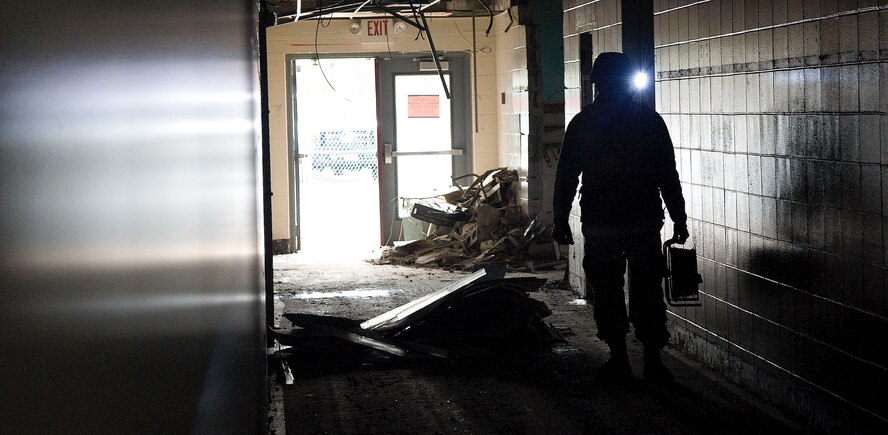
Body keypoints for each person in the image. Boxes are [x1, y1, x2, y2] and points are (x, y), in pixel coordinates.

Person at [552, 52, 689, 383]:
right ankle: (653, 361)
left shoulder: (584, 123)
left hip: (602, 223)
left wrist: (560, 220)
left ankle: (619, 359)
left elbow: (567, 176)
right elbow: (667, 175)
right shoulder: (649, 121)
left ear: (595, 84)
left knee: (608, 290)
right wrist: (679, 218)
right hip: (642, 221)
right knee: (646, 290)